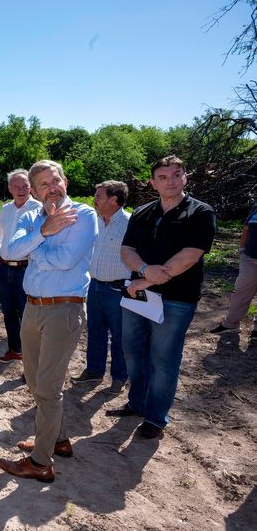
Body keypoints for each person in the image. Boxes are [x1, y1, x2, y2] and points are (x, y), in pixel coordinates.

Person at [0, 159, 98, 482]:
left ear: (64, 181)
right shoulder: (31, 216)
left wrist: (34, 246)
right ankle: (58, 439)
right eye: (43, 184)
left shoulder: (83, 215)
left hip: (63, 310)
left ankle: (40, 462)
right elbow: (12, 251)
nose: (51, 188)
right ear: (36, 191)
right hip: (32, 308)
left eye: (55, 181)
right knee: (36, 382)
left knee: (49, 388)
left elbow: (66, 261)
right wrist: (43, 232)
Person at [106, 155, 215, 440]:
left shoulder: (200, 213)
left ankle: (155, 418)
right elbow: (126, 250)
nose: (170, 181)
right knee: (133, 350)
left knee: (163, 359)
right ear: (153, 182)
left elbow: (189, 256)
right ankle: (137, 403)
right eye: (163, 177)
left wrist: (147, 277)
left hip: (176, 299)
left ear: (185, 177)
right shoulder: (143, 212)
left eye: (176, 175)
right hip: (138, 296)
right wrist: (143, 270)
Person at [70, 180, 130, 393]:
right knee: (95, 330)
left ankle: (119, 377)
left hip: (118, 289)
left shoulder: (129, 224)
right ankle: (94, 371)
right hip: (94, 286)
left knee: (119, 334)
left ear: (113, 199)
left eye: (98, 196)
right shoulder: (96, 222)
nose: (94, 200)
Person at [0, 169, 42, 363]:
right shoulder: (6, 209)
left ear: (31, 187)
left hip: (27, 268)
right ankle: (14, 349)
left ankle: (32, 359)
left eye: (25, 186)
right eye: (17, 186)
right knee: (8, 311)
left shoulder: (39, 209)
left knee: (28, 314)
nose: (21, 189)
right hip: (4, 269)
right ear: (9, 188)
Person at [209, 202, 257, 338]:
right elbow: (246, 228)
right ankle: (231, 324)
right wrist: (242, 249)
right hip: (249, 258)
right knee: (240, 291)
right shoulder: (256, 206)